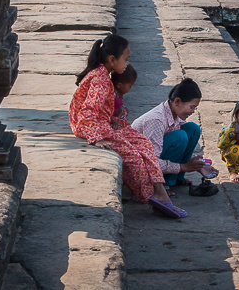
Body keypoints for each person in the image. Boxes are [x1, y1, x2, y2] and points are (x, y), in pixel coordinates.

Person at [69, 34, 187, 218]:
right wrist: (97, 138)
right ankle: (149, 196)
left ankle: (159, 189)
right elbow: (87, 112)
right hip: (90, 126)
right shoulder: (99, 79)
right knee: (132, 156)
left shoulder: (104, 75)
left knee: (144, 143)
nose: (126, 64)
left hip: (103, 122)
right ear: (112, 60)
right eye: (126, 59)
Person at [132, 78, 218, 197]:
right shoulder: (156, 120)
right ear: (177, 101)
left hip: (154, 156)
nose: (193, 111)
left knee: (193, 129)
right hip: (141, 165)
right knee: (180, 137)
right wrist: (184, 167)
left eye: (195, 108)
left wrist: (199, 165)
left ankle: (176, 179)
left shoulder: (174, 114)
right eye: (191, 107)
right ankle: (162, 184)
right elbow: (151, 161)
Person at [110, 65, 137, 129]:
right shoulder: (112, 95)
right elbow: (106, 110)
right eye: (129, 86)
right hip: (114, 124)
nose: (130, 88)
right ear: (119, 85)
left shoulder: (118, 93)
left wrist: (123, 109)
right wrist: (112, 121)